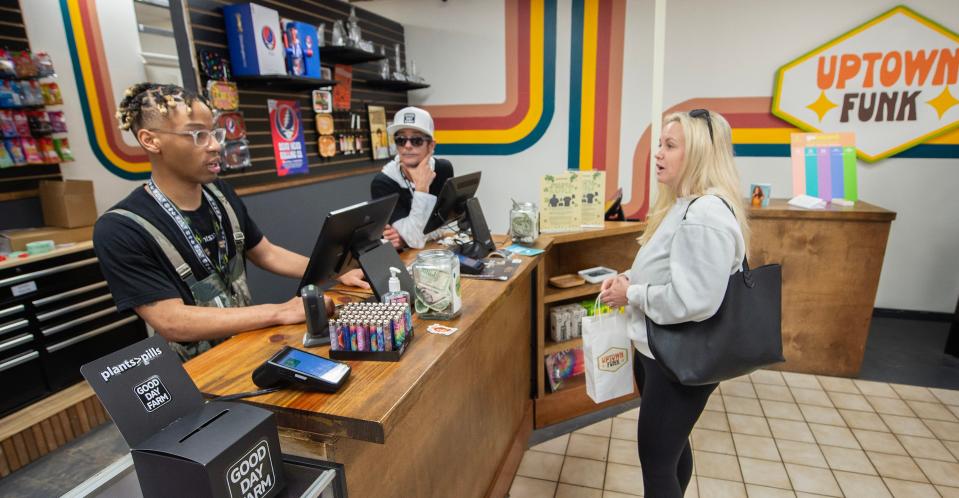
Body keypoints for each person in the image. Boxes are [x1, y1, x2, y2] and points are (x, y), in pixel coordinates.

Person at [94, 82, 367, 361]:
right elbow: (170, 320)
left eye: (213, 132)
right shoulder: (120, 228)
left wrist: (334, 271)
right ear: (151, 140)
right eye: (197, 135)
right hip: (196, 371)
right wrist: (279, 311)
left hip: (247, 347)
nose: (214, 145)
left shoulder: (220, 194)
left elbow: (267, 253)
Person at [598, 109, 749, 497]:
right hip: (661, 353)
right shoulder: (685, 203)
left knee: (658, 463)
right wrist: (631, 278)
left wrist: (629, 294)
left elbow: (694, 300)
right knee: (672, 451)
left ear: (697, 153)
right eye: (659, 145)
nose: (658, 154)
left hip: (676, 361)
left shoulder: (705, 215)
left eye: (670, 146)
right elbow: (672, 269)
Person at [370, 106, 453, 249]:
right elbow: (415, 240)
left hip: (437, 248)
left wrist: (405, 238)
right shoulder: (383, 183)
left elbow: (448, 224)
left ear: (431, 146)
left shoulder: (443, 169)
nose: (407, 146)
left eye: (416, 140)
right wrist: (421, 189)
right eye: (400, 139)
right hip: (406, 260)